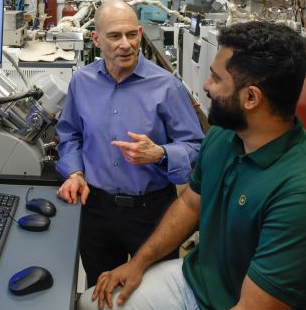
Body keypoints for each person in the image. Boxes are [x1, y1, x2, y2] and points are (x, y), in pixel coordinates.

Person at [79, 21, 306, 310]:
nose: (206, 86)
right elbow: (190, 206)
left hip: (236, 302)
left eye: (216, 78)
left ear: (251, 98)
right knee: (91, 303)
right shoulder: (224, 136)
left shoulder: (296, 193)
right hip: (195, 281)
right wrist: (138, 263)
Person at [55, 0, 204, 287]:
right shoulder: (82, 82)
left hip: (152, 213)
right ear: (96, 40)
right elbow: (70, 135)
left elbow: (197, 147)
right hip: (95, 208)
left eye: (132, 35)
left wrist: (161, 153)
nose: (126, 44)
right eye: (114, 36)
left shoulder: (166, 86)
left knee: (154, 295)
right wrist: (74, 173)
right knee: (99, 292)